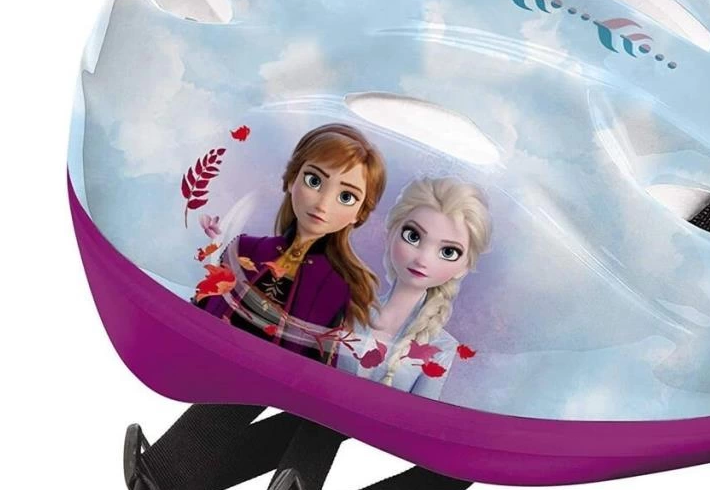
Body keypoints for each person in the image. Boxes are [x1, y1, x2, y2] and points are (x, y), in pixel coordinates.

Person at [196, 123, 386, 361]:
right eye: (314, 181)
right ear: (291, 180)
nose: (323, 204)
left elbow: (320, 364)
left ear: (359, 214)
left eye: (346, 197)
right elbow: (202, 309)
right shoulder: (244, 248)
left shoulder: (335, 287)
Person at [335, 177, 492, 398]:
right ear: (390, 233)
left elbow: (419, 414)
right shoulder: (347, 310)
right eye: (413, 236)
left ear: (464, 266)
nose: (423, 259)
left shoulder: (442, 348)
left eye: (448, 252)